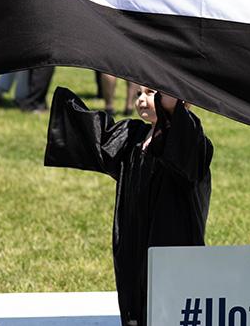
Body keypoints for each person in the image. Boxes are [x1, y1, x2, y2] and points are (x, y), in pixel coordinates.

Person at [44, 84, 213, 326]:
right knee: (134, 282)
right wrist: (68, 105)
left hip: (170, 233)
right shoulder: (133, 135)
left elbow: (184, 154)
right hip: (134, 233)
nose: (142, 100)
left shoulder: (190, 136)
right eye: (138, 94)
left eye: (152, 93)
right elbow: (98, 139)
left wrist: (173, 104)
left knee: (169, 295)